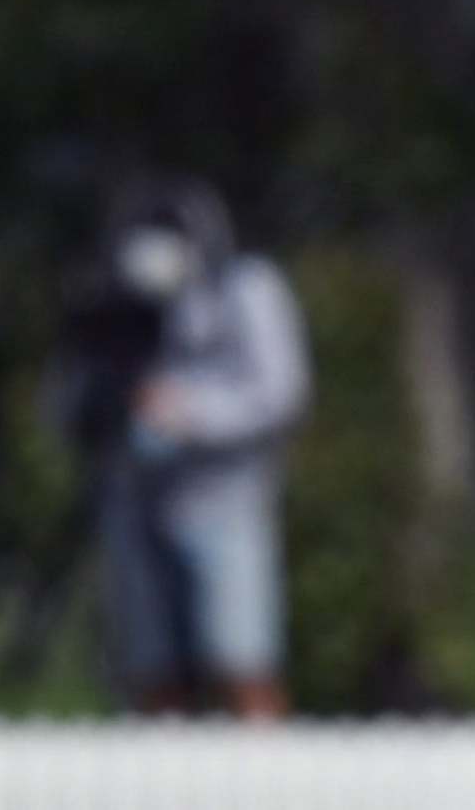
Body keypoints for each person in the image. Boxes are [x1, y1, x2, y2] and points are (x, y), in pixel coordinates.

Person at [56, 178, 311, 720]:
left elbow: (281, 392)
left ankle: (267, 782)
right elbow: (72, 393)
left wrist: (188, 412)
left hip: (226, 499)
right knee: (150, 666)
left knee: (241, 657)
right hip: (138, 497)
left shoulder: (247, 289)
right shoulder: (116, 300)